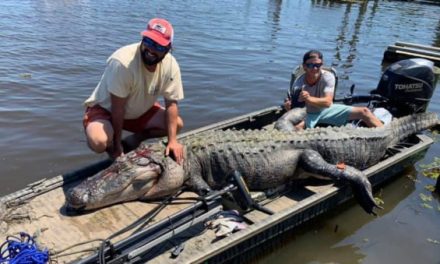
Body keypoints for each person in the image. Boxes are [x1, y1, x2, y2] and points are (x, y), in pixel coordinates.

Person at [83, 18, 185, 164]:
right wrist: (117, 145)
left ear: (168, 49)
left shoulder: (171, 65)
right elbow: (118, 108)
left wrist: (173, 141)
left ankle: (136, 138)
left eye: (159, 46)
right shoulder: (123, 62)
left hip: (138, 110)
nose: (151, 49)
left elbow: (172, 103)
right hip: (107, 110)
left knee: (177, 124)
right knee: (99, 142)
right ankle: (111, 144)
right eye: (148, 42)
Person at [283, 50, 383, 129]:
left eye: (318, 65)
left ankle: (386, 134)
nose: (314, 68)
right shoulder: (298, 84)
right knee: (296, 127)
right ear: (304, 67)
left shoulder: (328, 76)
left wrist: (309, 99)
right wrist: (289, 107)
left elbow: (328, 103)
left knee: (364, 111)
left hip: (326, 109)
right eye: (310, 65)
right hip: (309, 112)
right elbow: (296, 109)